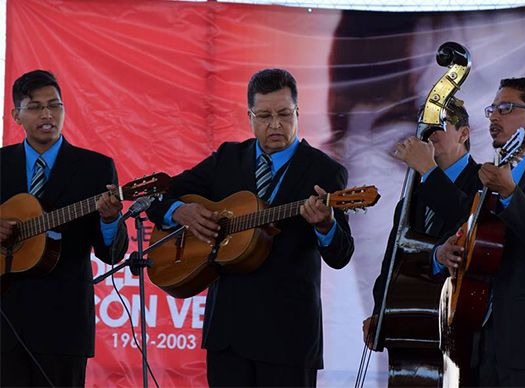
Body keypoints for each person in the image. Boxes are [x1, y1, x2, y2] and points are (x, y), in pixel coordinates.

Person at [146, 68, 354, 387]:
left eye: (284, 114)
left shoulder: (325, 171)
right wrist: (180, 211)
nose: (275, 124)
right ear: (249, 116)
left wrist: (326, 225)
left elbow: (341, 254)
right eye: (264, 115)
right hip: (228, 334)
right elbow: (159, 193)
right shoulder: (228, 158)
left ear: (298, 112)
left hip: (289, 337)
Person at [436, 77, 525, 386]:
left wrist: (511, 193)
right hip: (483, 343)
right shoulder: (490, 175)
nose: (494, 117)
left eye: (506, 108)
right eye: (492, 110)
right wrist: (447, 249)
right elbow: (472, 236)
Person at [0, 70, 128, 386]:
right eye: (35, 107)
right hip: (4, 322)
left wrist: (110, 219)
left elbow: (111, 253)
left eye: (55, 105)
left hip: (63, 324)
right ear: (16, 115)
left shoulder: (95, 167)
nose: (47, 114)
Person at [362, 100, 481, 349]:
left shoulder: (483, 182)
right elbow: (392, 265)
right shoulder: (411, 200)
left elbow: (466, 220)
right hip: (412, 329)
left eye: (438, 124)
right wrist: (380, 312)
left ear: (464, 133)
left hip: (462, 329)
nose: (428, 132)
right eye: (423, 125)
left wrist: (429, 170)